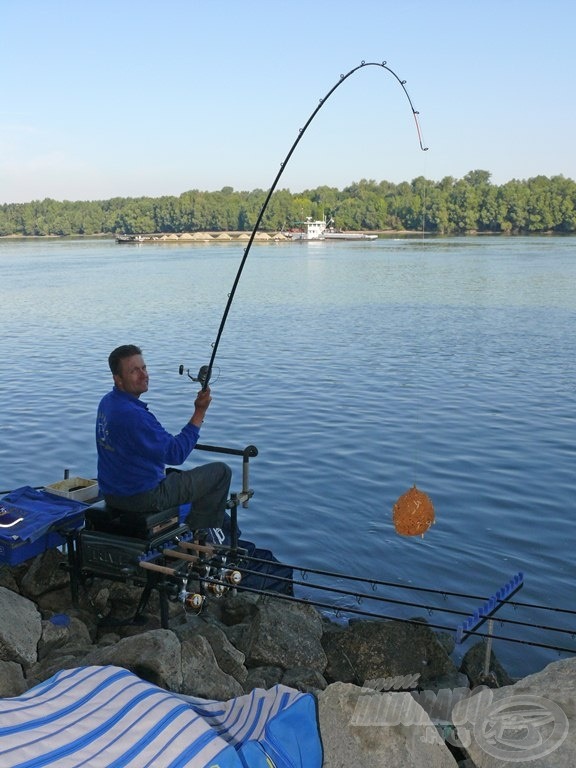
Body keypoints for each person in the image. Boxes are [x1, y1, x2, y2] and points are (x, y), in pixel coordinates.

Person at [96, 344, 231, 530]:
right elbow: (176, 454)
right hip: (141, 496)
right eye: (134, 371)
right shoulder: (134, 416)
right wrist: (200, 411)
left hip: (112, 493)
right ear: (118, 379)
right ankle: (201, 537)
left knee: (174, 475)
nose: (144, 375)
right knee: (221, 472)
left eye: (144, 368)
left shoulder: (108, 402)